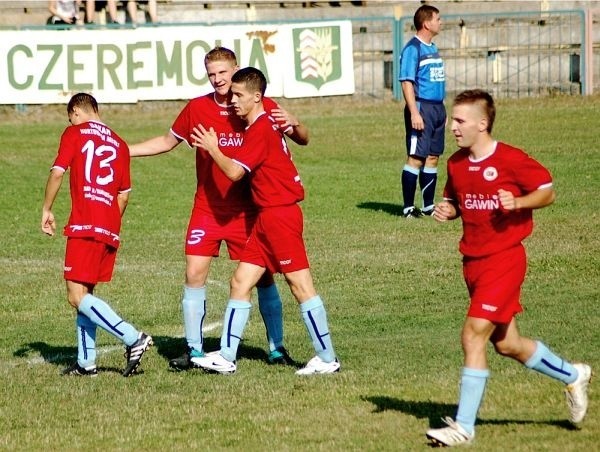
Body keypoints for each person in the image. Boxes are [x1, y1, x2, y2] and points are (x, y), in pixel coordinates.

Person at [426, 89, 591, 446]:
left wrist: (517, 202)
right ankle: (572, 374)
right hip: (472, 262)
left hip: (505, 260)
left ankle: (463, 427)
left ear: (482, 124)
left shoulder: (511, 159)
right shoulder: (455, 164)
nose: (453, 127)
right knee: (508, 344)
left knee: (472, 335)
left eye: (459, 120)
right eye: (453, 120)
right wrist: (448, 210)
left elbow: (547, 191)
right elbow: (455, 200)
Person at [129, 47, 309, 371]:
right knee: (194, 273)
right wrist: (124, 150)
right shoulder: (197, 108)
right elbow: (166, 142)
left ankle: (276, 347)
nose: (217, 80)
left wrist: (296, 124)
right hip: (208, 210)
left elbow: (300, 138)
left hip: (249, 210)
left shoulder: (257, 105)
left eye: (222, 73)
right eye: (211, 74)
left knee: (264, 278)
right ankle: (195, 350)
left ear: (235, 70)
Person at [191, 67, 340, 376]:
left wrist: (214, 148)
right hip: (266, 217)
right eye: (231, 94)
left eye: (238, 95)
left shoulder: (259, 129)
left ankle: (327, 357)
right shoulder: (266, 119)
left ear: (256, 97)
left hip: (280, 215)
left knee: (300, 286)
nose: (232, 100)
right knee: (240, 282)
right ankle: (226, 356)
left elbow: (233, 173)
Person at [41, 93, 153, 377]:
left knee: (76, 296)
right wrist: (109, 221)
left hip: (84, 224)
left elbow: (57, 172)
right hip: (109, 225)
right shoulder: (120, 144)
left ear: (77, 110)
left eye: (72, 116)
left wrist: (47, 208)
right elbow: (124, 195)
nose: (72, 121)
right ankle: (86, 362)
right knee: (86, 293)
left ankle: (132, 337)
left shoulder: (75, 133)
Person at [398, 4, 446, 218]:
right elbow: (407, 82)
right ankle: (408, 207)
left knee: (433, 156)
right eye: (438, 18)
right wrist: (414, 112)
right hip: (421, 107)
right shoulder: (412, 49)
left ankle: (428, 206)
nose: (440, 22)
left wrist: (442, 112)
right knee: (416, 157)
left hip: (437, 108)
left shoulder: (433, 47)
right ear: (427, 23)